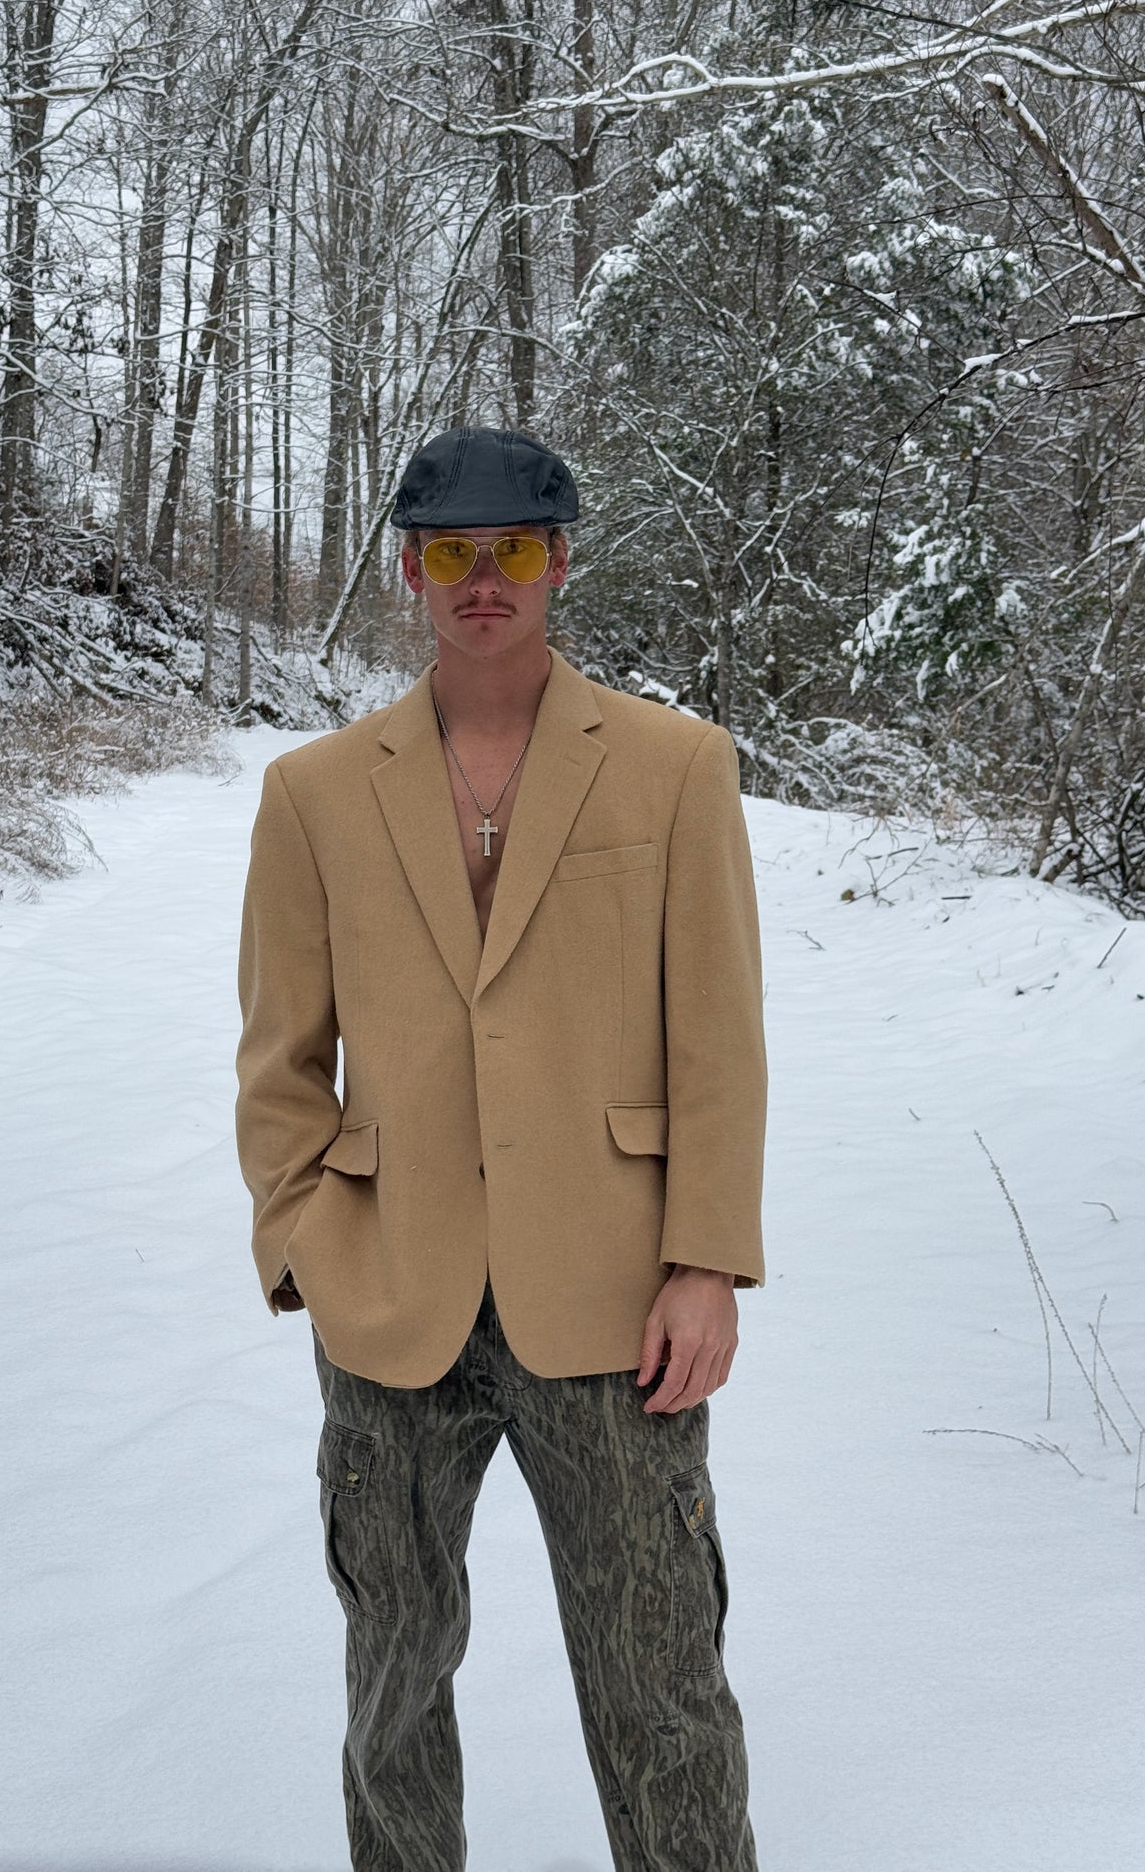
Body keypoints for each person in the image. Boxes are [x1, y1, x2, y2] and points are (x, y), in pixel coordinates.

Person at [234, 424, 768, 1870]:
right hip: (391, 1300)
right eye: (453, 553)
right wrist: (306, 1247)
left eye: (513, 549)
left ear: (559, 561)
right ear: (410, 568)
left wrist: (706, 1259)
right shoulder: (315, 794)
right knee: (392, 1687)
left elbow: (717, 1040)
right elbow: (280, 1060)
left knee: (659, 1683)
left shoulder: (671, 767)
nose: (484, 579)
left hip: (610, 1307)